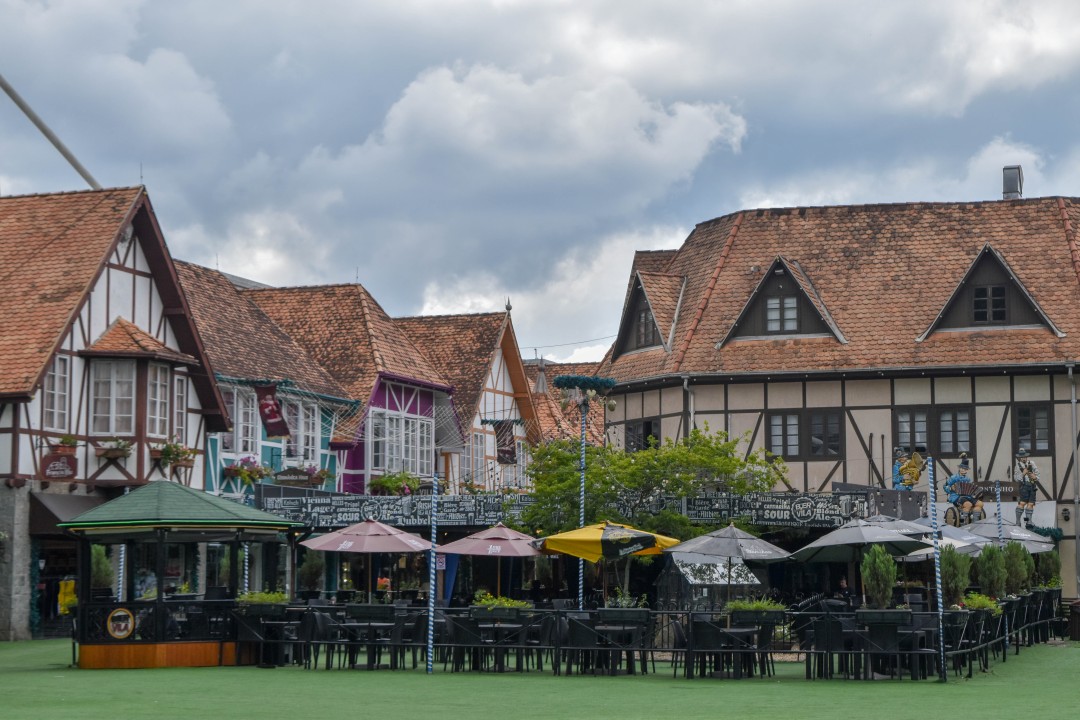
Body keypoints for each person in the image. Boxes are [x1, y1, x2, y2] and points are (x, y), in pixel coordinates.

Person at [944, 453, 982, 523]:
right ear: (959, 468)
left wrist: (975, 494)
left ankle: (975, 522)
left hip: (967, 497)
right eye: (962, 468)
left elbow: (970, 490)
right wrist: (950, 489)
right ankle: (964, 523)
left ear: (967, 470)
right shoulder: (953, 478)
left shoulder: (968, 479)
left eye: (965, 469)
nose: (963, 470)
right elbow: (945, 486)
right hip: (956, 497)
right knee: (968, 504)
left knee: (980, 504)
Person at [1014, 448, 1040, 528]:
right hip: (1024, 486)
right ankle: (1018, 522)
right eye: (1022, 457)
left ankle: (1029, 522)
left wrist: (1035, 477)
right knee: (1022, 503)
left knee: (1031, 503)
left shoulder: (1032, 463)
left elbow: (1037, 474)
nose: (1024, 458)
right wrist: (1023, 474)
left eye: (1025, 457)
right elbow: (1016, 478)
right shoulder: (1017, 466)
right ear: (1020, 458)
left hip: (1032, 486)